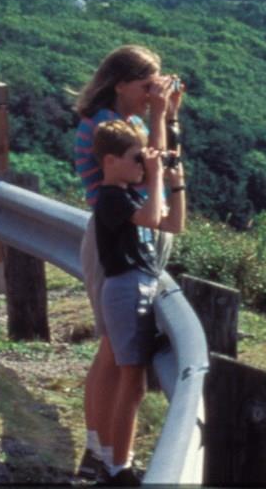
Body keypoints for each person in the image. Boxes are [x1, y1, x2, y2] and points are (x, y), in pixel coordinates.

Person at [71, 45, 183, 481]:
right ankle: (100, 450)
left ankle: (102, 449)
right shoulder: (106, 127)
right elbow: (150, 169)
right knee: (112, 353)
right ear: (121, 84)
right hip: (116, 242)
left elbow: (164, 161)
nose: (153, 91)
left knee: (112, 352)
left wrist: (168, 117)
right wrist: (159, 116)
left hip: (137, 238)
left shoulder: (129, 122)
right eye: (146, 84)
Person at [90, 118, 186, 486]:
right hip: (127, 288)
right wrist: (156, 175)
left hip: (137, 286)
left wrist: (176, 186)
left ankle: (116, 462)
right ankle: (118, 466)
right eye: (136, 158)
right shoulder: (111, 197)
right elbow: (149, 217)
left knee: (133, 384)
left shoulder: (128, 195)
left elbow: (173, 225)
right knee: (131, 383)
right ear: (110, 161)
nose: (142, 165)